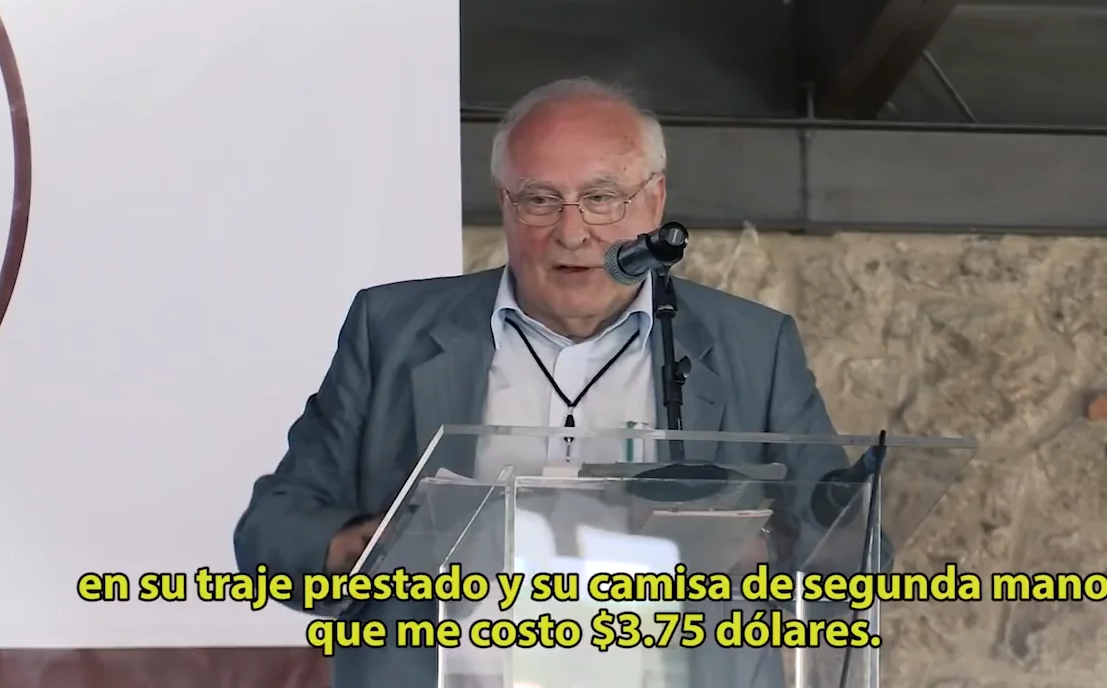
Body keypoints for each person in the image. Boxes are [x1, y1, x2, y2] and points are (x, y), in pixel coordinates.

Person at [233, 78, 849, 687]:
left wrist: (755, 554)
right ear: (504, 204)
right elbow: (272, 530)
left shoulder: (753, 346)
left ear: (654, 201)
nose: (573, 233)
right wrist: (364, 547)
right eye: (540, 200)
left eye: (602, 198)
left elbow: (851, 548)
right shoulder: (392, 332)